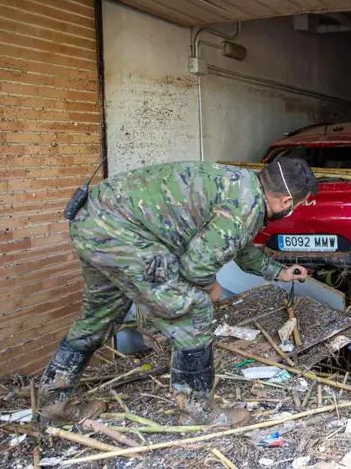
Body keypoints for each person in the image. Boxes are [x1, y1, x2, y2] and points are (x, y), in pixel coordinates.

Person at [38, 157, 318, 428]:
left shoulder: (242, 185)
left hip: (93, 221)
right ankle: (197, 410)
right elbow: (196, 267)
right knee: (194, 309)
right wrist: (212, 287)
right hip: (122, 234)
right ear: (286, 202)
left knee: (99, 315)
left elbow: (240, 246)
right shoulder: (245, 206)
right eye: (300, 205)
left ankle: (53, 405)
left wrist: (278, 272)